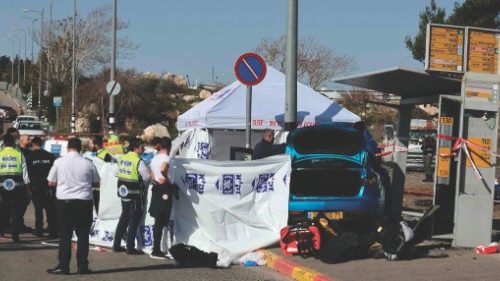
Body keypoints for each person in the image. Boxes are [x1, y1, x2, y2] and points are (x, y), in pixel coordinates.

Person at [46, 138, 100, 275]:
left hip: (65, 203)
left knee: (65, 235)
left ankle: (64, 266)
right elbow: (97, 182)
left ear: (68, 148)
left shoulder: (59, 162)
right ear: (80, 148)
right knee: (83, 235)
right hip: (84, 203)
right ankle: (82, 266)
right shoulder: (88, 163)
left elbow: (51, 182)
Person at [113, 138, 151, 255]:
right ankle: (130, 247)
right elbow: (146, 176)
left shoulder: (122, 158)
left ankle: (116, 244)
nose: (143, 149)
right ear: (136, 148)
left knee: (124, 218)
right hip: (134, 193)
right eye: (142, 147)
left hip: (123, 192)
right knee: (134, 220)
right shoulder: (138, 161)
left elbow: (116, 173)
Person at [0, 134, 30, 242]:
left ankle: (1, 231)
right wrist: (27, 190)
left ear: (3, 143)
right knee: (16, 212)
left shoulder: (0, 154)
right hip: (17, 187)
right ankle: (15, 234)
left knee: (3, 210)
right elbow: (25, 174)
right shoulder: (19, 154)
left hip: (2, 187)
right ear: (13, 143)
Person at [148, 137, 174, 259]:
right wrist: (166, 179)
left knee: (158, 220)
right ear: (169, 147)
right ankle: (156, 249)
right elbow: (163, 169)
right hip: (164, 189)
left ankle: (157, 248)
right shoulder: (166, 158)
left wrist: (155, 180)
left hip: (156, 188)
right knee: (161, 220)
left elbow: (151, 172)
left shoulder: (155, 158)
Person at [27, 136, 57, 238]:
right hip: (48, 186)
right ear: (41, 144)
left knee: (38, 210)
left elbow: (27, 173)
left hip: (35, 187)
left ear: (33, 144)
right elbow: (54, 171)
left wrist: (28, 188)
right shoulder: (50, 156)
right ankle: (53, 230)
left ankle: (39, 230)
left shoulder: (29, 156)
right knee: (50, 209)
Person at [88, 135, 112, 213]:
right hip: (96, 188)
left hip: (101, 189)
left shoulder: (106, 154)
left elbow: (109, 170)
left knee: (100, 212)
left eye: (90, 143)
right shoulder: (95, 154)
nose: (89, 145)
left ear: (96, 145)